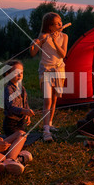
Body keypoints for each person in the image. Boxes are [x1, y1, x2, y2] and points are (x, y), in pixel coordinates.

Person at [29, 12, 68, 142]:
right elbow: (33, 53)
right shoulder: (43, 36)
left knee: (55, 99)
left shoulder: (64, 36)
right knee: (47, 100)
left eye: (60, 22)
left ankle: (50, 123)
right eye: (57, 23)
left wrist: (55, 41)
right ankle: (45, 130)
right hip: (45, 71)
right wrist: (33, 43)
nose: (60, 24)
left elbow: (62, 54)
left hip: (59, 70)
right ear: (49, 26)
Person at [2, 60, 35, 136]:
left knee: (23, 136)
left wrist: (27, 113)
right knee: (19, 138)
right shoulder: (9, 89)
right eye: (16, 73)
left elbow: (25, 102)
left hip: (20, 122)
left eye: (21, 73)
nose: (19, 75)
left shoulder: (22, 88)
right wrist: (24, 111)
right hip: (11, 123)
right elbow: (11, 107)